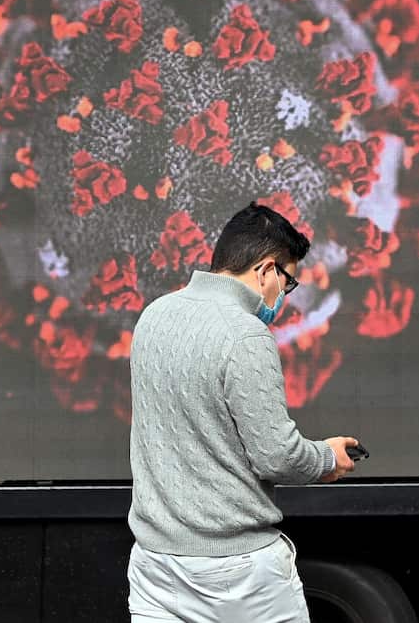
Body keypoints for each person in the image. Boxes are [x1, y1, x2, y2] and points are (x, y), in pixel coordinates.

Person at [125, 201, 359, 622]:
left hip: (154, 564)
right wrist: (327, 458)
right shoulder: (245, 334)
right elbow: (277, 456)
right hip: (237, 574)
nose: (283, 296)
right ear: (266, 270)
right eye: (287, 281)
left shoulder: (154, 315)